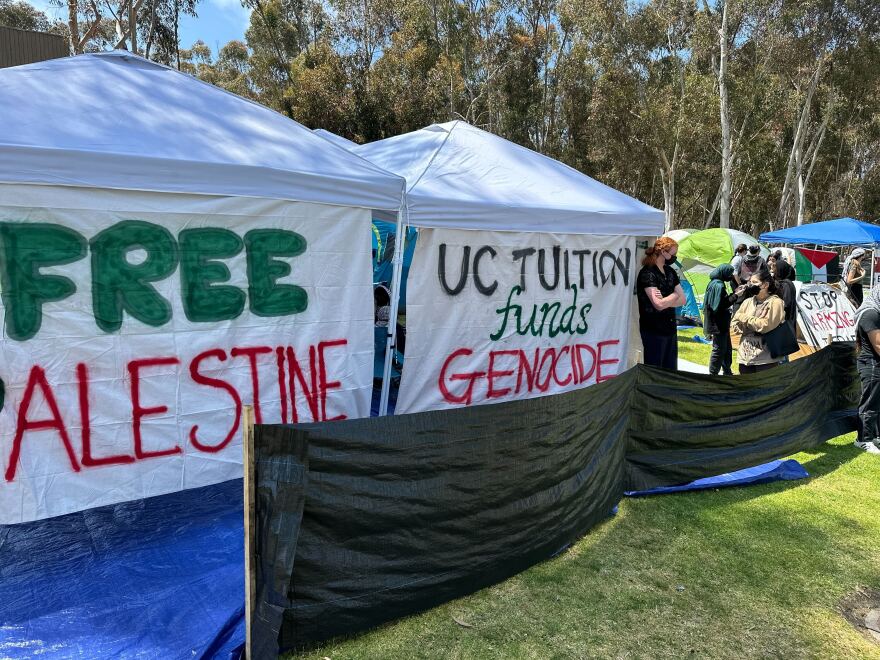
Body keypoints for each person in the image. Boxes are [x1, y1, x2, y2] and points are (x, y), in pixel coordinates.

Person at [637, 237, 687, 369]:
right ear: (663, 252)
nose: (674, 257)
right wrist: (674, 295)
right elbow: (658, 304)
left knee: (670, 369)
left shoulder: (670, 272)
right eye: (673, 253)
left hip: (670, 328)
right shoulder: (647, 273)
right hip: (653, 329)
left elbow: (683, 299)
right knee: (655, 368)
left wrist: (665, 300)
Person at [731, 269, 785, 373]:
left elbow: (766, 326)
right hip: (745, 356)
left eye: (755, 282)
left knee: (764, 386)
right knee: (745, 385)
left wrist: (744, 318)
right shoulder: (747, 302)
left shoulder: (775, 303)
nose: (751, 285)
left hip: (765, 358)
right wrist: (743, 323)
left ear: (765, 285)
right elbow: (735, 322)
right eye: (750, 282)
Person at [854, 286, 880, 453]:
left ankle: (876, 435)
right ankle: (863, 439)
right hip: (871, 364)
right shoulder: (870, 314)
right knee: (869, 402)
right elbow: (878, 345)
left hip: (876, 363)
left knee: (878, 402)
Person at [703, 264, 738, 375]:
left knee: (726, 348)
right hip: (718, 324)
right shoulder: (718, 285)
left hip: (721, 323)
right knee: (719, 349)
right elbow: (719, 305)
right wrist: (735, 295)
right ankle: (713, 374)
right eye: (730, 273)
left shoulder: (715, 283)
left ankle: (727, 371)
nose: (731, 275)